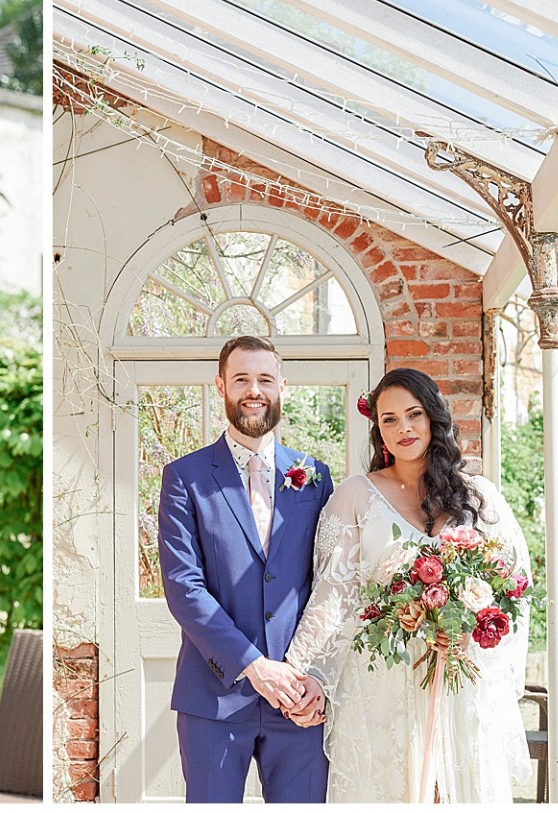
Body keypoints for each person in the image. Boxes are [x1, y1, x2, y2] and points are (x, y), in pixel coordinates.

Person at [283, 368, 532, 802]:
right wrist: (306, 674)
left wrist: (469, 635)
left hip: (459, 679)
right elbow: (333, 595)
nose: (404, 428)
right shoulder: (355, 495)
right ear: (377, 429)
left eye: (414, 414)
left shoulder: (480, 497)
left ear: (433, 418)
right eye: (389, 419)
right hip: (382, 687)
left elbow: (513, 589)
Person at [156, 335, 334, 802]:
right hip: (213, 698)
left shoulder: (315, 477)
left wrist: (315, 676)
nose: (254, 390)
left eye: (265, 379)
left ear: (283, 387)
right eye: (241, 379)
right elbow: (183, 587)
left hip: (299, 698)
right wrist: (255, 667)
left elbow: (330, 586)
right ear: (221, 386)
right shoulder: (185, 477)